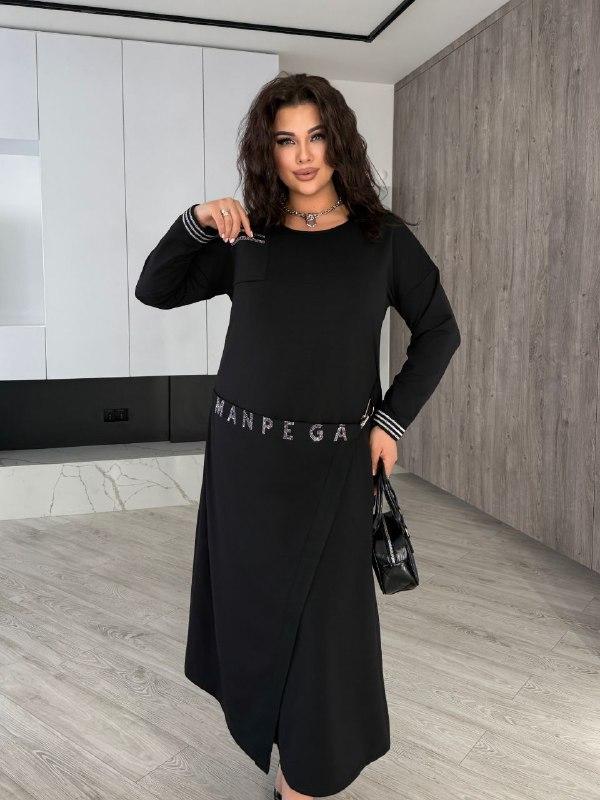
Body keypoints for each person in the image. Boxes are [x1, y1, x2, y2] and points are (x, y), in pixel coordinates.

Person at [135, 72, 461, 800]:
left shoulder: (384, 241)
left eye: (316, 137)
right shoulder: (247, 236)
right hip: (244, 464)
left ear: (339, 143)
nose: (304, 155)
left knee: (324, 630)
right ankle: (276, 740)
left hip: (333, 468)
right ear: (268, 152)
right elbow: (155, 288)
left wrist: (391, 420)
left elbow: (440, 331)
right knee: (255, 612)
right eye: (286, 141)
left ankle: (304, 777)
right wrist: (196, 220)